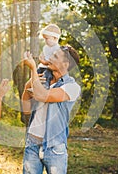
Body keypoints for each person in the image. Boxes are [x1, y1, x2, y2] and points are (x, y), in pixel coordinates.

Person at [21, 45, 81, 174]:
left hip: (54, 147)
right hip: (32, 143)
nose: (50, 58)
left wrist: (32, 69)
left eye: (55, 56)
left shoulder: (72, 87)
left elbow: (42, 96)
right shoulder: (42, 77)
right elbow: (26, 105)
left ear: (65, 64)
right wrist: (28, 85)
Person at [37, 23, 61, 89]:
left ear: (55, 38)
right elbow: (43, 55)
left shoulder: (57, 49)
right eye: (44, 39)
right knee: (36, 74)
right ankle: (34, 86)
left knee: (46, 76)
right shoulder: (46, 47)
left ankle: (45, 87)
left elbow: (54, 62)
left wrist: (44, 62)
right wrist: (41, 58)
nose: (45, 41)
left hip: (49, 68)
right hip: (42, 66)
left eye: (47, 39)